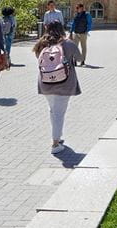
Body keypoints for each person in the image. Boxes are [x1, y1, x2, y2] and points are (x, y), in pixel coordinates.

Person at [33, 20, 82, 154]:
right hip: (64, 82)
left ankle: (57, 137)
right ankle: (55, 144)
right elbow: (79, 58)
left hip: (46, 82)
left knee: (53, 110)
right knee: (59, 113)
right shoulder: (68, 43)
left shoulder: (41, 44)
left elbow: (38, 58)